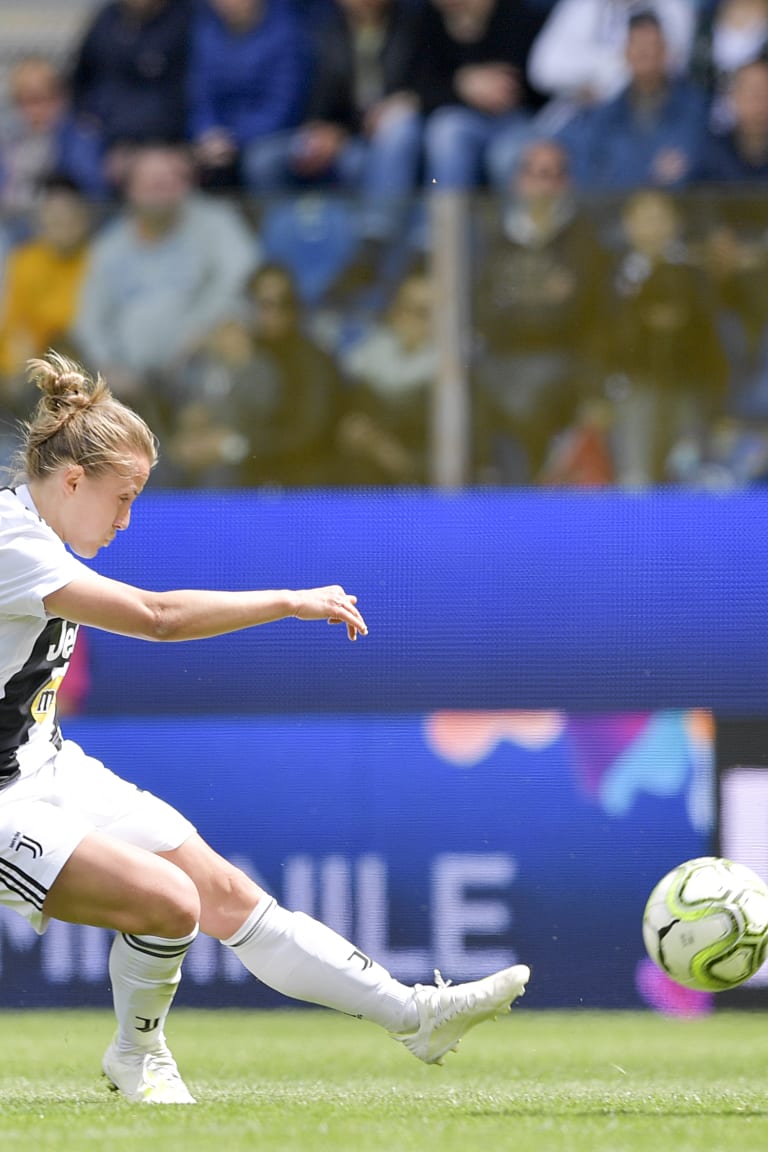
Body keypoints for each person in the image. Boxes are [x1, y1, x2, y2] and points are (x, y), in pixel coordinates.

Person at [0, 350, 530, 1104]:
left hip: (41, 765)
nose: (126, 519)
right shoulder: (11, 540)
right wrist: (287, 599)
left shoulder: (41, 539)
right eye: (122, 498)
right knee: (170, 903)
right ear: (74, 480)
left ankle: (413, 1015)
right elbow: (156, 618)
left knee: (225, 895)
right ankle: (137, 1058)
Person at [70, 143, 259, 432]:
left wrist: (203, 331)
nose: (163, 192)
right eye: (153, 185)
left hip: (203, 364)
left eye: (171, 182)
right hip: (129, 382)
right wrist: (108, 366)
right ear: (130, 190)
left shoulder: (217, 223)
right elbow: (89, 320)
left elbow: (246, 280)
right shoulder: (110, 247)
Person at [561, 9, 709, 191]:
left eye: (652, 46)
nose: (645, 54)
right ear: (626, 53)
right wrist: (653, 175)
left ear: (665, 51)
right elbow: (594, 173)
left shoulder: (695, 108)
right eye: (638, 46)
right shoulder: (603, 116)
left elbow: (692, 166)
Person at [68, 0, 193, 193]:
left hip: (160, 137)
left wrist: (137, 149)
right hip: (104, 131)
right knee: (79, 158)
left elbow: (185, 95)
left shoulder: (184, 19)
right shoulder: (106, 18)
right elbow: (80, 78)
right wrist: (87, 117)